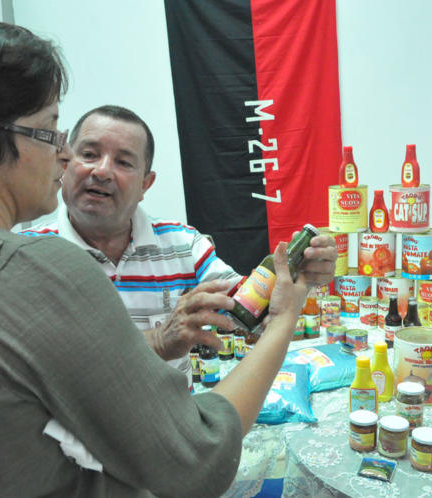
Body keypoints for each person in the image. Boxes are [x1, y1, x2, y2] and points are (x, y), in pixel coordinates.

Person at [0, 17, 309, 497]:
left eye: (123, 161)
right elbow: (196, 457)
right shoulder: (36, 268)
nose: (64, 158)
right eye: (48, 133)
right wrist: (283, 321)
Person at [23, 105, 338, 387]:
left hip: (175, 434)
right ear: (65, 164)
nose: (102, 171)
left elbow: (248, 313)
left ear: (146, 184)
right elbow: (43, 365)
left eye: (123, 162)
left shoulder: (184, 245)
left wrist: (300, 276)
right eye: (89, 155)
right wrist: (159, 340)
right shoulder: (25, 257)